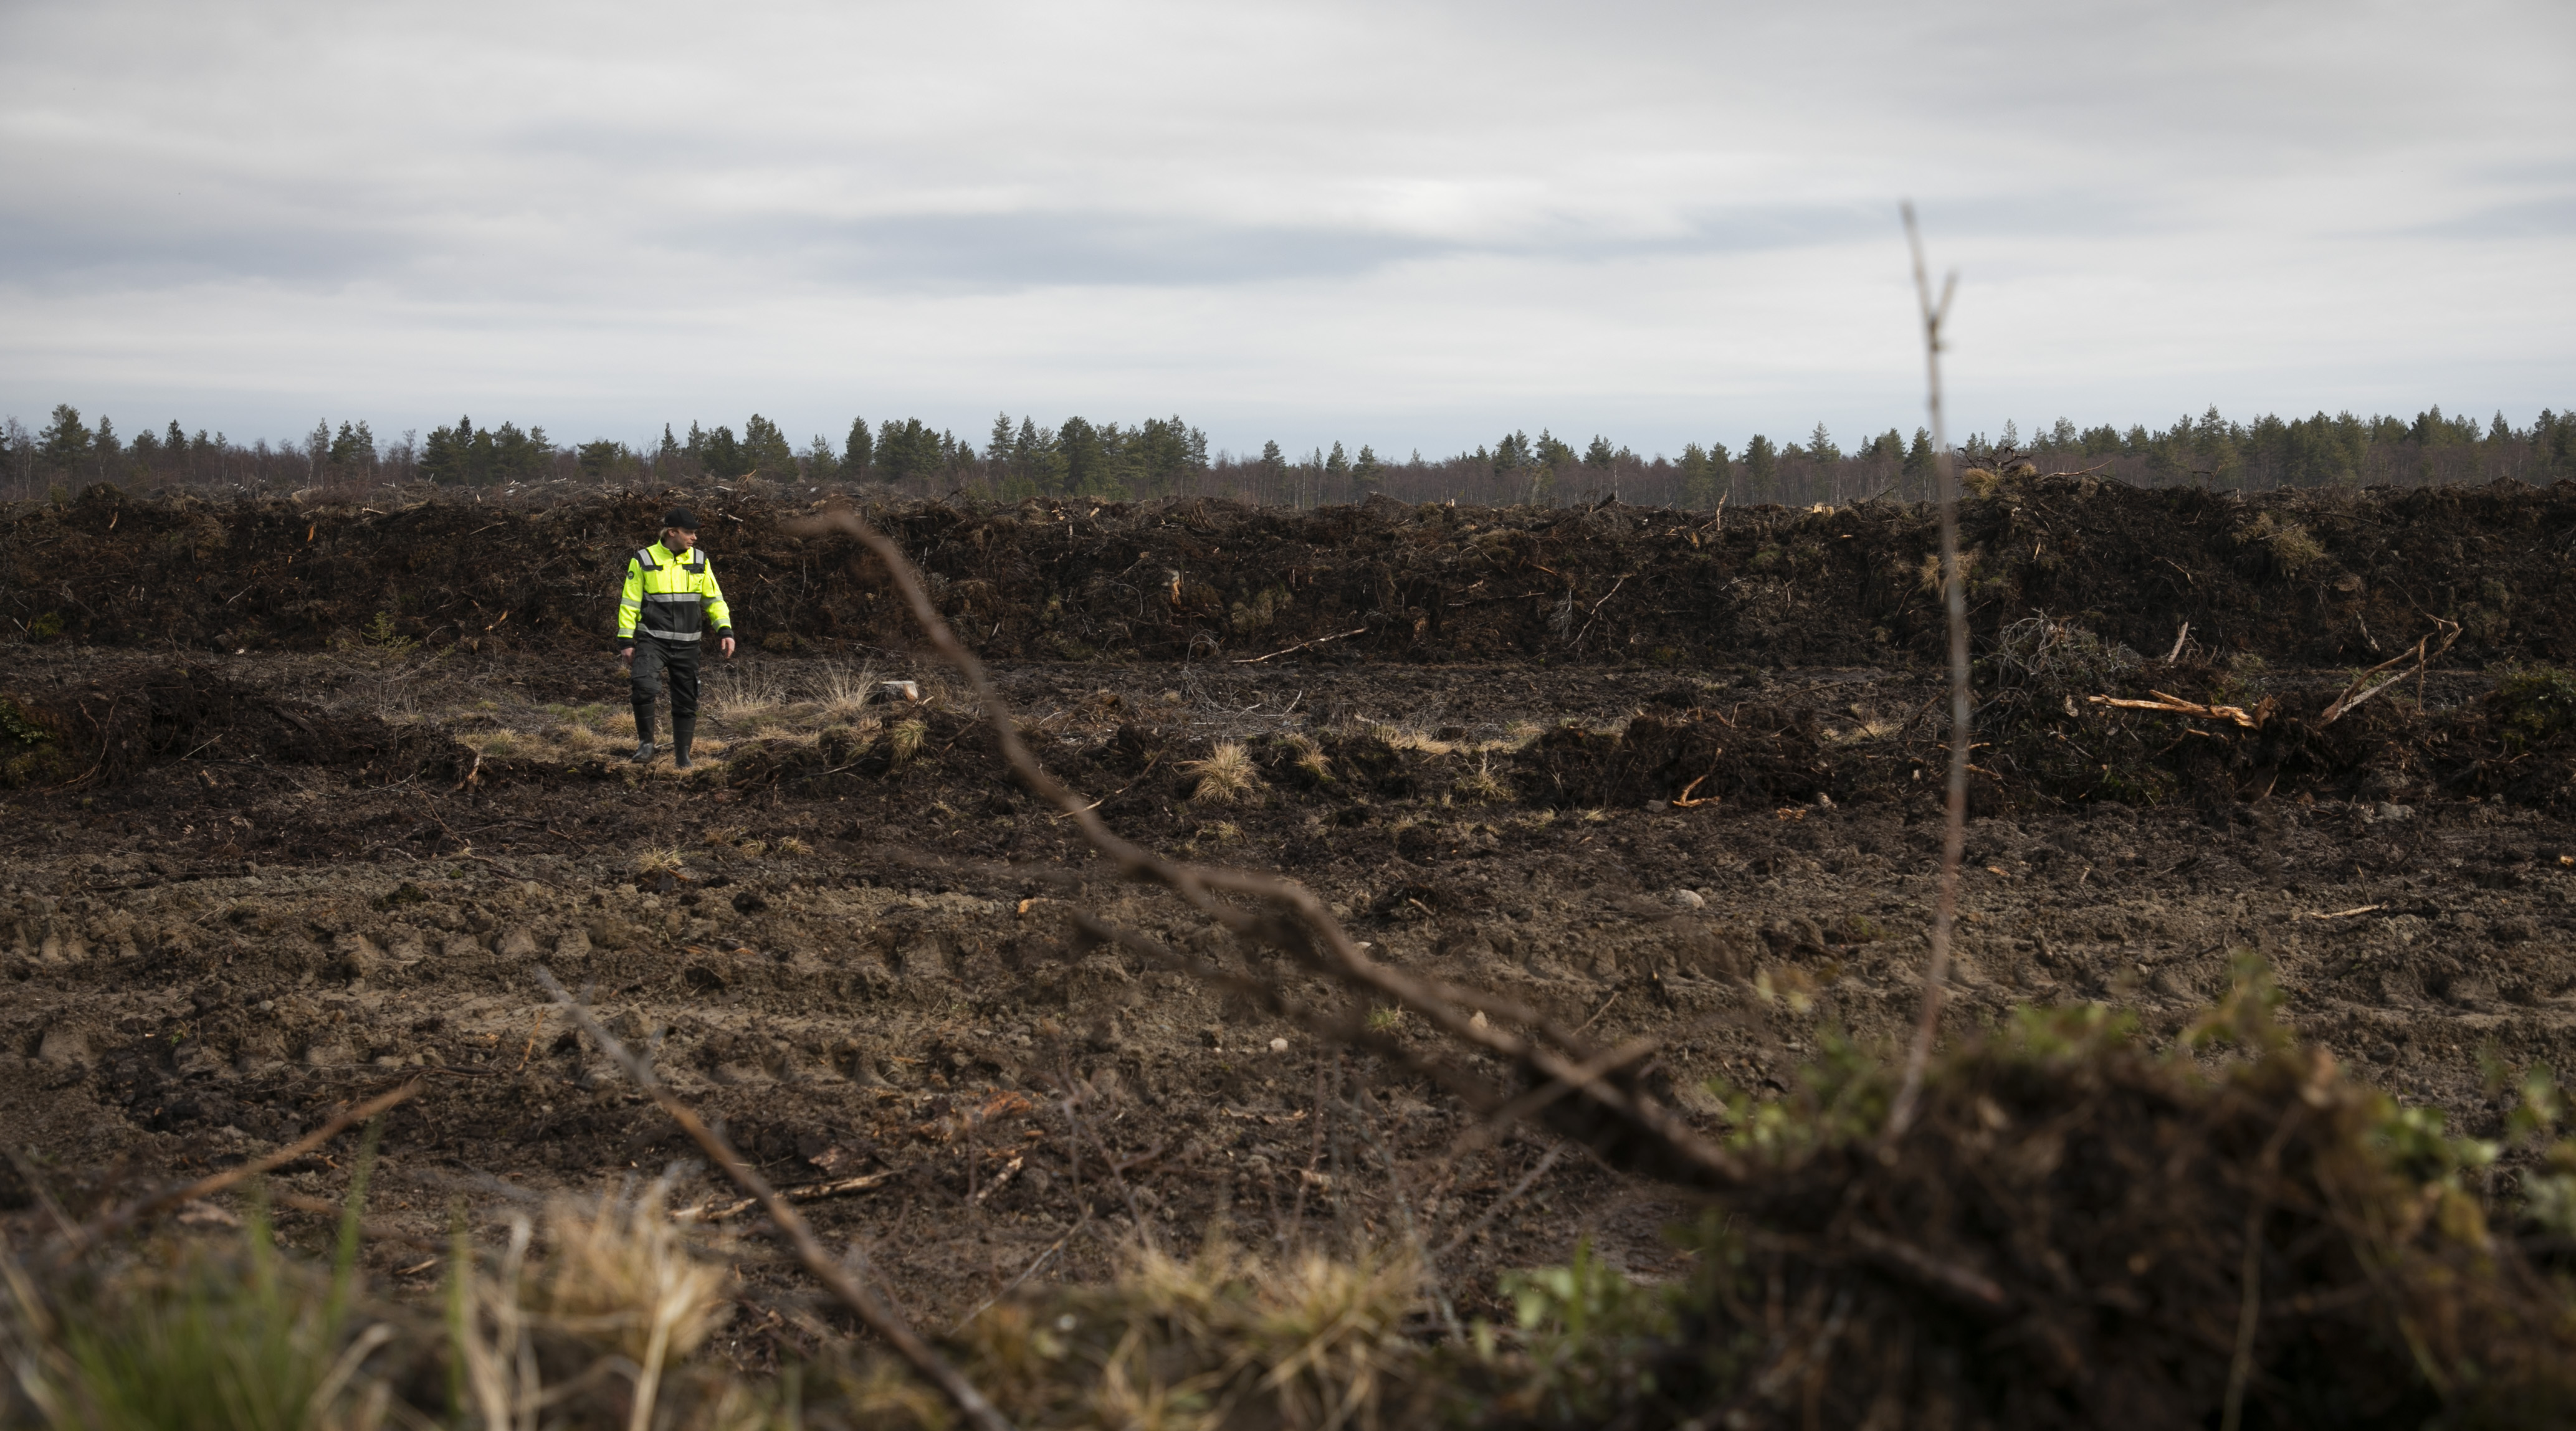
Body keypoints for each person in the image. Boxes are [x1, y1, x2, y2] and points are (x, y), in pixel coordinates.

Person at [616, 507, 735, 767]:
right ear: (673, 532)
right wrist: (626, 641)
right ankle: (646, 745)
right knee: (643, 688)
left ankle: (683, 756)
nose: (694, 538)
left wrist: (725, 630)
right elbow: (630, 603)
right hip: (652, 640)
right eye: (689, 532)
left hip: (688, 643)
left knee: (686, 700)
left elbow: (714, 599)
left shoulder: (700, 560)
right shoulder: (644, 559)